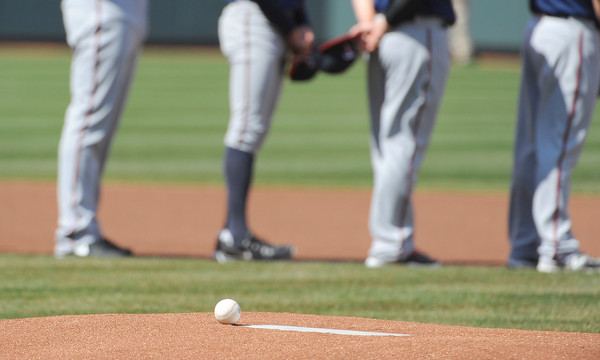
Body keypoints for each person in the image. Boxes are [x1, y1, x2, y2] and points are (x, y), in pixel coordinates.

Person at [349, 0, 456, 268]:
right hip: (415, 34)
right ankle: (391, 245)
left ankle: (394, 242)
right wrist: (381, 22)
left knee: (387, 147)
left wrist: (368, 21)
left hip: (384, 37)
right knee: (402, 145)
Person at [214, 0, 315, 263]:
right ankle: (235, 238)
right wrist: (292, 27)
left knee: (254, 131)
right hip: (254, 16)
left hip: (275, 24)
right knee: (246, 128)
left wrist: (301, 25)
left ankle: (231, 233)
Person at [507, 0, 600, 273]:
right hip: (572, 30)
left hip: (539, 27)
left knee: (532, 146)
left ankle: (526, 245)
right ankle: (557, 246)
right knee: (559, 145)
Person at [54, 0, 148, 258]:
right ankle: (75, 232)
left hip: (129, 10)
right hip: (100, 9)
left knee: (100, 125)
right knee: (88, 122)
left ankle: (83, 228)